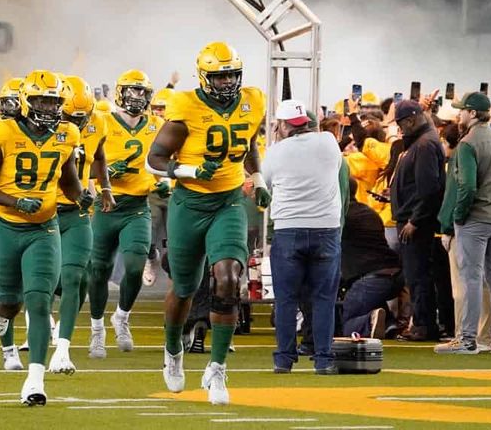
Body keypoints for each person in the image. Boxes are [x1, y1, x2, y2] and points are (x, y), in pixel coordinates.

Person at [145, 43, 267, 405]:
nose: (227, 82)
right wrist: (190, 170)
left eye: (232, 75)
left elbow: (247, 143)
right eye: (220, 76)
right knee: (184, 287)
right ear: (203, 77)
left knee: (229, 278)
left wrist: (257, 179)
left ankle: (217, 368)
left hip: (228, 202)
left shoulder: (252, 100)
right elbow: (154, 158)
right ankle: (173, 349)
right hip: (189, 204)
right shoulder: (186, 106)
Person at [0, 70, 94, 405]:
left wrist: (81, 195)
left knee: (39, 299)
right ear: (25, 101)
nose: (48, 108)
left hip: (44, 228)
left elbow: (67, 179)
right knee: (10, 300)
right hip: (7, 226)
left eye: (53, 102)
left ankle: (35, 381)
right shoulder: (4, 131)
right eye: (41, 101)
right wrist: (14, 201)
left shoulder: (67, 134)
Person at [263, 99, 348, 373]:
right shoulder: (328, 142)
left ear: (283, 125)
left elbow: (265, 182)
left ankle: (284, 359)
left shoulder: (275, 151)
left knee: (286, 299)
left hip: (288, 228)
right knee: (324, 298)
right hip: (326, 228)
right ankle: (323, 359)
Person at [86, 71, 163, 361]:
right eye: (133, 91)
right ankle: (96, 329)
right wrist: (103, 173)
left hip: (137, 206)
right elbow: (82, 161)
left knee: (134, 267)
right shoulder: (102, 121)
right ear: (120, 92)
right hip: (105, 206)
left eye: (143, 92)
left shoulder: (156, 125)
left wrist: (163, 181)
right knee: (98, 270)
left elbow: (162, 162)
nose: (138, 97)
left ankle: (121, 316)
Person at [435, 92, 491, 355]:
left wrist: (458, 217)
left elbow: (467, 186)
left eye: (462, 110)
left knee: (471, 277)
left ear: (471, 113)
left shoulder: (468, 144)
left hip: (476, 219)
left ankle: (467, 339)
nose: (459, 115)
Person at [46, 76, 113, 374]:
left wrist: (105, 187)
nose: (78, 122)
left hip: (77, 210)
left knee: (78, 277)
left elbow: (98, 155)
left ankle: (62, 349)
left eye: (82, 116)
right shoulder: (40, 126)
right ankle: (39, 325)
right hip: (44, 210)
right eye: (72, 117)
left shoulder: (98, 122)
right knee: (46, 279)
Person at [389, 99, 446, 341]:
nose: (400, 129)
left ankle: (423, 325)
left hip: (415, 223)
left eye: (401, 124)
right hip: (414, 218)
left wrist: (415, 219)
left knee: (417, 274)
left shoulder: (424, 145)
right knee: (417, 274)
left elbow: (429, 189)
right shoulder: (424, 141)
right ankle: (424, 323)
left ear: (411, 120)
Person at [340, 179, 402, 338]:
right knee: (369, 300)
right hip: (395, 274)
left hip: (369, 279)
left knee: (345, 324)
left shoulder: (341, 217)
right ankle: (388, 323)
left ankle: (370, 321)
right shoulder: (368, 212)